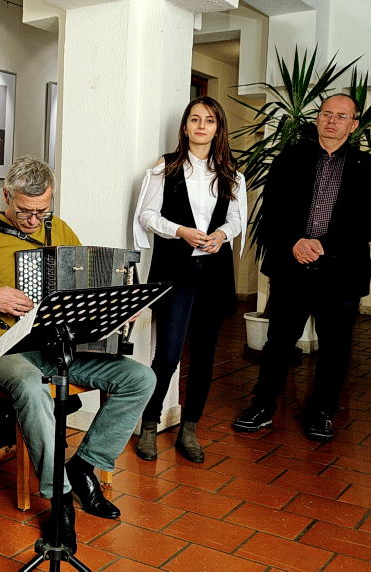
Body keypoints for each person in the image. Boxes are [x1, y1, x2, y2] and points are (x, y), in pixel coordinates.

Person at [0, 155, 156, 554]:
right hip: (2, 347)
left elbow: (87, 285)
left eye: (42, 211)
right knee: (31, 387)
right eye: (24, 211)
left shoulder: (59, 229)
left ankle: (83, 466)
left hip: (56, 344)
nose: (33, 220)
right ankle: (60, 499)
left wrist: (117, 307)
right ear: (6, 196)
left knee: (140, 378)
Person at [232, 94, 371, 442]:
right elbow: (272, 210)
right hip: (292, 267)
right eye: (326, 114)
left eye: (341, 116)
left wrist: (324, 245)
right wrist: (294, 242)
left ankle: (321, 412)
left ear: (354, 124)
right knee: (278, 342)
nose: (332, 121)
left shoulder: (369, 166)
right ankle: (262, 406)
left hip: (342, 273)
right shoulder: (290, 158)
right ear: (317, 119)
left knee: (335, 349)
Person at [132, 96, 247, 463]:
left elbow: (237, 219)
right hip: (175, 272)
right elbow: (147, 215)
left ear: (218, 128)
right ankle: (149, 424)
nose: (201, 126)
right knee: (167, 355)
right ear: (184, 127)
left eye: (209, 120)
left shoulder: (232, 174)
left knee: (204, 356)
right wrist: (180, 230)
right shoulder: (164, 168)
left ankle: (190, 428)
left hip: (213, 273)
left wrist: (222, 235)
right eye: (195, 119)